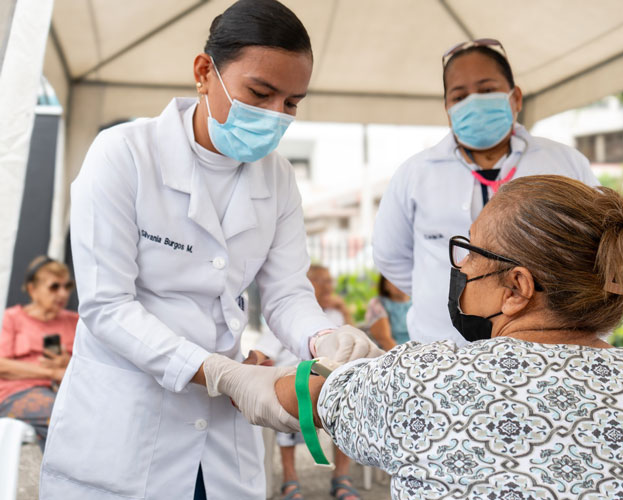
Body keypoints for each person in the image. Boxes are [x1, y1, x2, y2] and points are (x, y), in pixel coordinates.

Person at [40, 2, 380, 499]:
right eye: (260, 93)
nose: (275, 116)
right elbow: (106, 306)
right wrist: (223, 373)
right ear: (204, 72)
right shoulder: (124, 155)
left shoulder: (279, 176)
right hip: (126, 420)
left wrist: (324, 338)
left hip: (220, 432)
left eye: (291, 103)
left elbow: (285, 293)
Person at [240, 176, 623, 498]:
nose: (459, 269)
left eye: (471, 255)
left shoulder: (427, 377)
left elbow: (298, 391)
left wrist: (231, 375)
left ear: (517, 287)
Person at [373, 38, 599, 347]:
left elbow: (594, 248)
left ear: (515, 98)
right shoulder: (415, 173)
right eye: (460, 95)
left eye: (487, 90)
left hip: (549, 347)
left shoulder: (564, 162)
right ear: (448, 109)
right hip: (443, 347)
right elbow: (390, 256)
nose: (474, 102)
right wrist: (443, 293)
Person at [269, 264, 361, 500]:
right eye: (325, 281)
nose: (330, 286)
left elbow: (351, 340)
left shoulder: (335, 314)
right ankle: (291, 481)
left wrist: (343, 309)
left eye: (330, 281)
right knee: (286, 407)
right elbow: (266, 350)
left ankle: (341, 479)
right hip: (294, 377)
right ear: (310, 285)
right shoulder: (286, 314)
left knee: (347, 409)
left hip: (328, 380)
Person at [0, 257, 76, 450]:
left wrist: (67, 362)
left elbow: (88, 365)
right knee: (63, 415)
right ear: (33, 289)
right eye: (54, 287)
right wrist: (51, 373)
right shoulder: (13, 318)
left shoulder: (74, 321)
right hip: (15, 394)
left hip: (60, 394)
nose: (63, 293)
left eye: (68, 286)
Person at [365, 275, 411, 350]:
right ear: (385, 285)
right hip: (397, 354)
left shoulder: (418, 301)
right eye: (395, 280)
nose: (400, 283)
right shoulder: (378, 304)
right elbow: (384, 340)